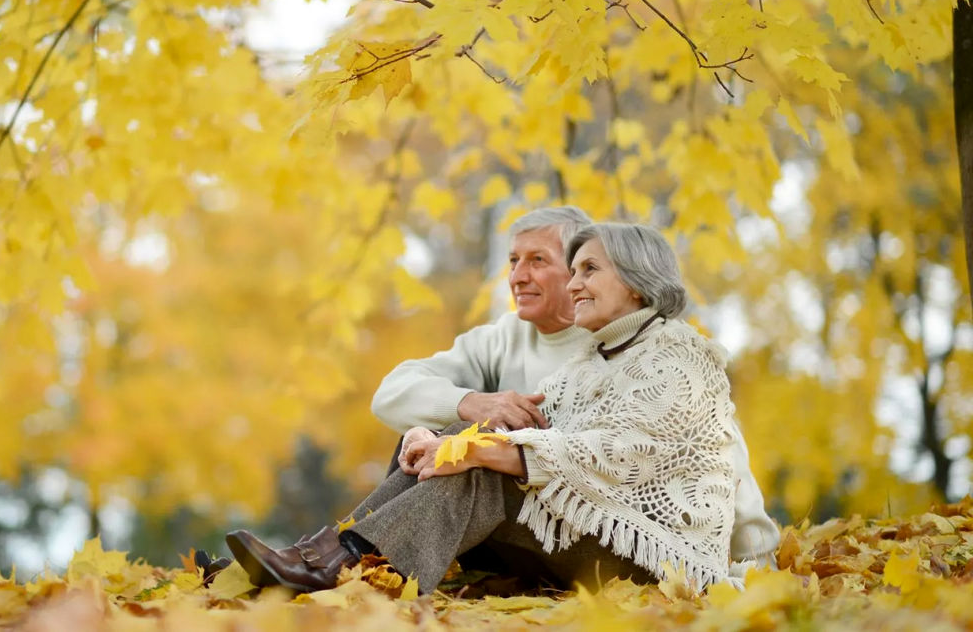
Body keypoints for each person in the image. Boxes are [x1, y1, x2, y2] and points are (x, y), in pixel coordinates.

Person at [226, 223, 756, 593]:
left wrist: (475, 451)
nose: (574, 285)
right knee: (464, 432)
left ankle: (338, 568)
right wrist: (445, 438)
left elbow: (616, 454)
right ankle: (319, 560)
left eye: (589, 270)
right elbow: (542, 433)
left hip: (658, 561)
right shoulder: (593, 360)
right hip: (589, 536)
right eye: (572, 271)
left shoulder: (681, 356)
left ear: (639, 284)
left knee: (480, 463)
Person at [371, 207, 778, 575]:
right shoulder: (571, 353)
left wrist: (758, 558)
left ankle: (357, 560)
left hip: (643, 548)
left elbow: (713, 457)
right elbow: (397, 393)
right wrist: (464, 415)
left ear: (631, 282)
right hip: (566, 528)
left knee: (473, 462)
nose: (518, 276)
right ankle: (351, 557)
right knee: (439, 442)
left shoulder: (663, 352)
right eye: (513, 261)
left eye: (584, 270)